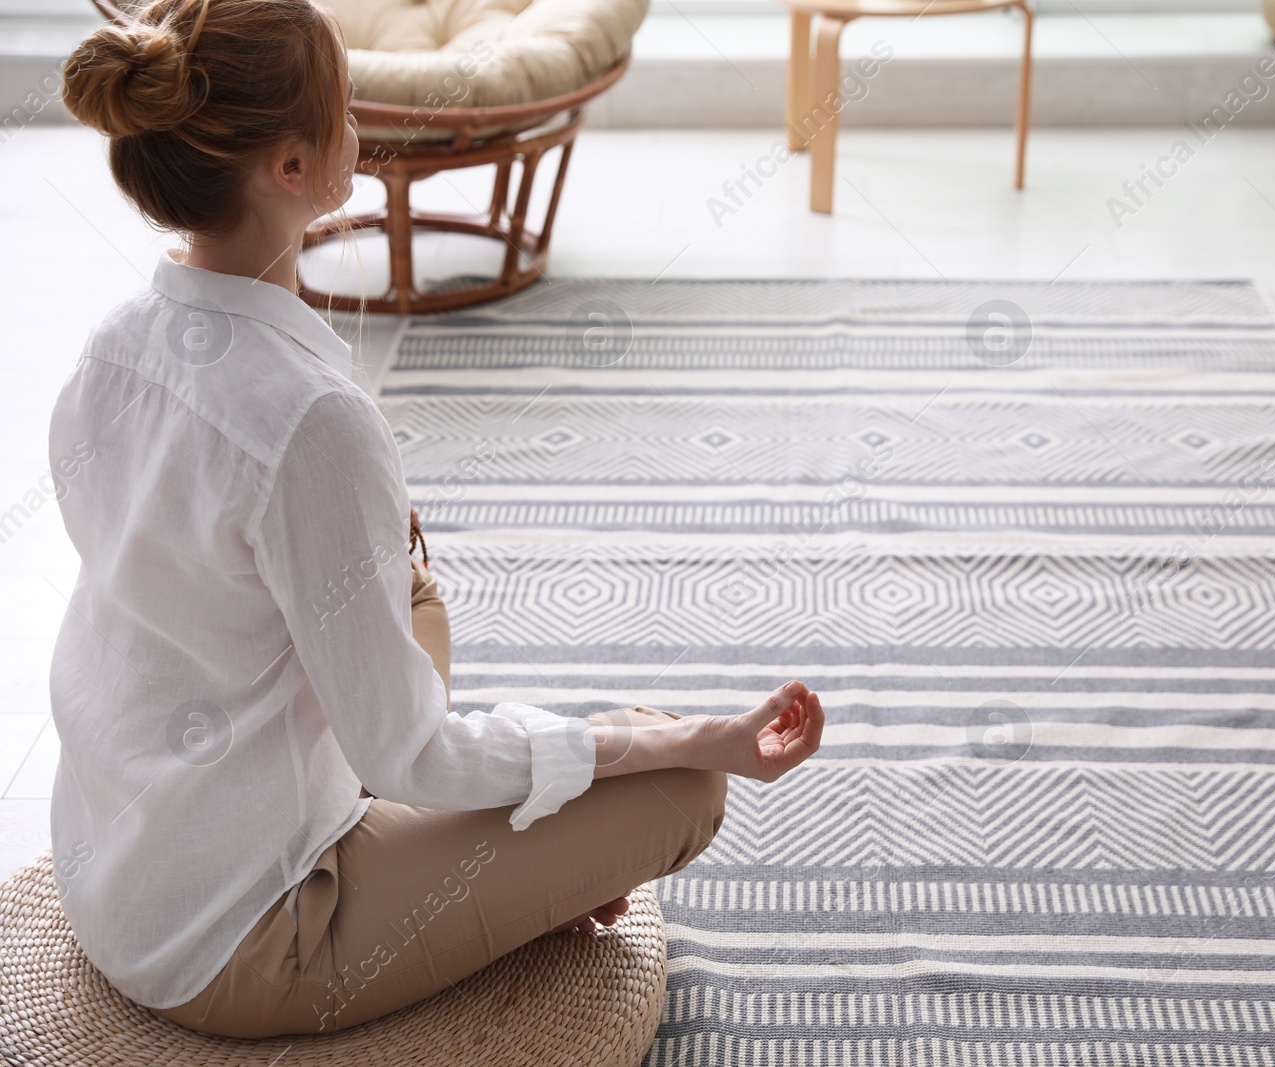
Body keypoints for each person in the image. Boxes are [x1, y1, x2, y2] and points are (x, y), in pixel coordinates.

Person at [50, 0, 824, 1039]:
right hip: (247, 935)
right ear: (289, 168)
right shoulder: (313, 421)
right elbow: (417, 757)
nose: (357, 128)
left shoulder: (109, 345)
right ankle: (546, 856)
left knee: (402, 578)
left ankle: (506, 857)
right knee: (681, 784)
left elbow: (166, 576)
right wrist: (694, 735)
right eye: (343, 107)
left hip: (119, 869)